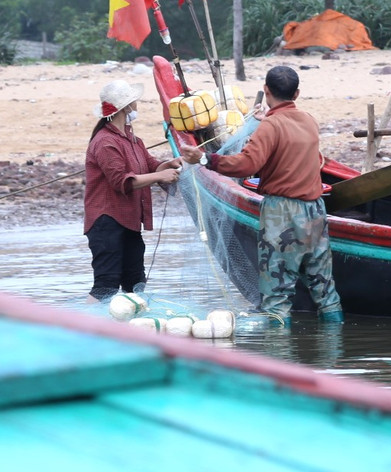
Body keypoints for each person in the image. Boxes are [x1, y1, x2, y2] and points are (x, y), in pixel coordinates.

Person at [181, 65, 343, 326]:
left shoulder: (270, 126)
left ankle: (276, 356)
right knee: (325, 291)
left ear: (266, 90)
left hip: (282, 213)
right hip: (315, 210)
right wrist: (266, 121)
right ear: (297, 93)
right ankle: (332, 355)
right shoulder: (309, 121)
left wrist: (204, 158)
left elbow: (246, 165)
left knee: (276, 296)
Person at [84, 80, 182, 303]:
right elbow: (123, 182)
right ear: (126, 107)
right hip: (106, 221)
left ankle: (132, 326)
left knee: (135, 281)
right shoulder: (105, 142)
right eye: (134, 102)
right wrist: (160, 176)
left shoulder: (133, 140)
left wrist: (169, 165)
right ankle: (82, 328)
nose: (137, 105)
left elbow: (150, 165)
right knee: (106, 284)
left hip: (128, 221)